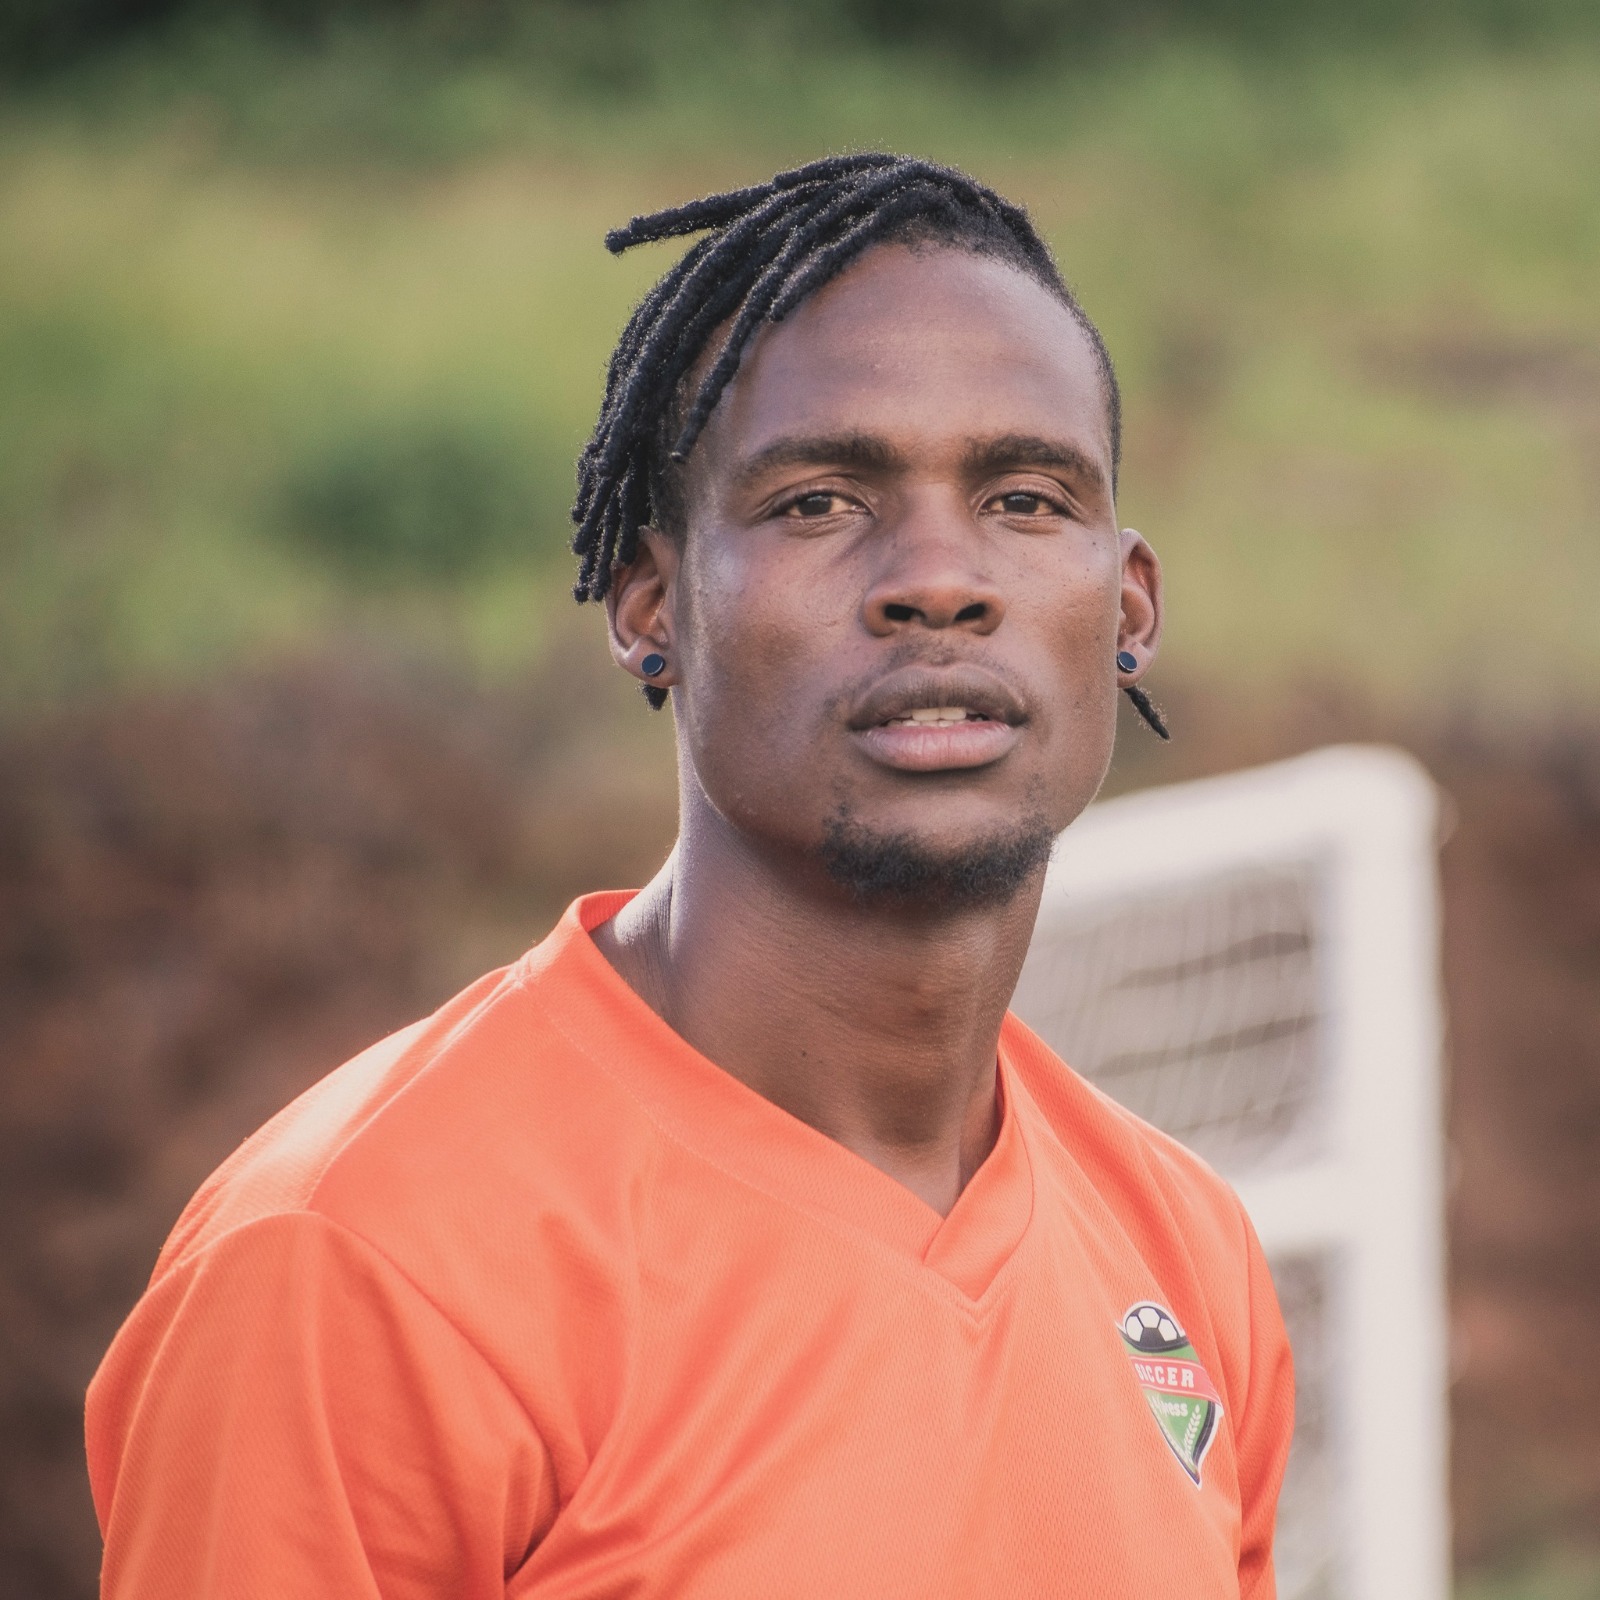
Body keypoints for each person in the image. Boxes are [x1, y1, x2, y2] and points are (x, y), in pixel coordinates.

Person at [87, 153, 1293, 1598]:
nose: (939, 579)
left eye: (1026, 499)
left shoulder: (1187, 1256)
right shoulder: (352, 1257)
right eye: (821, 502)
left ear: (1129, 606)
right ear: (651, 607)